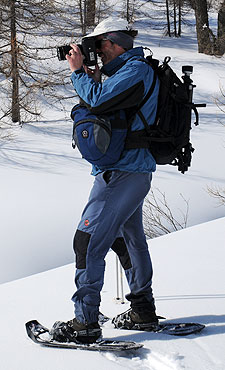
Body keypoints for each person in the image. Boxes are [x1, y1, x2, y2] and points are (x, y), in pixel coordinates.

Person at [56, 17, 160, 344]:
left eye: (99, 45)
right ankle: (143, 310)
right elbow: (107, 102)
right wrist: (93, 76)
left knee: (87, 242)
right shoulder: (124, 72)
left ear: (114, 43)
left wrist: (76, 73)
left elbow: (99, 101)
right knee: (128, 241)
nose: (96, 51)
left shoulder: (136, 70)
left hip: (123, 173)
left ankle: (84, 322)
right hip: (126, 171)